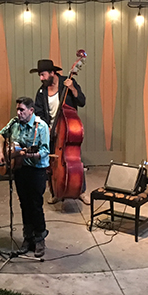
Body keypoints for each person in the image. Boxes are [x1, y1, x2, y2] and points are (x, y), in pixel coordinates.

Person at [30, 59, 89, 205]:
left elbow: (82, 101)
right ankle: (56, 192)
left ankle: (80, 191)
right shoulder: (41, 91)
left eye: (43, 75)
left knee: (74, 160)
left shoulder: (68, 82)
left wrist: (73, 89)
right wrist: (45, 126)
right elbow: (39, 112)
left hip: (66, 130)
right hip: (51, 131)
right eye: (40, 76)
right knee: (52, 163)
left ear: (52, 73)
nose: (41, 78)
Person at [0, 96, 50, 257]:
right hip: (20, 169)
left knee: (35, 204)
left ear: (31, 111)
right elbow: (2, 135)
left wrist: (29, 154)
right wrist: (2, 152)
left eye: (22, 110)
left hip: (36, 171)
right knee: (24, 204)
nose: (19, 113)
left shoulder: (41, 127)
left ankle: (40, 238)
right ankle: (28, 238)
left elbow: (45, 151)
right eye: (17, 110)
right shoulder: (14, 123)